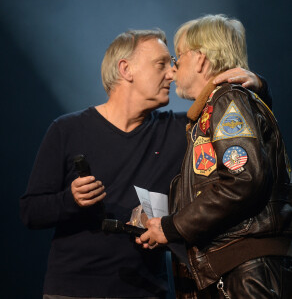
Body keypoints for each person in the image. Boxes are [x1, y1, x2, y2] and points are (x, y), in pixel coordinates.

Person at [20, 29, 270, 299]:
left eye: (172, 63)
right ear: (126, 69)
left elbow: (247, 136)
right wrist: (71, 199)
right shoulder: (67, 129)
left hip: (147, 290)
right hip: (74, 290)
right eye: (161, 64)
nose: (172, 73)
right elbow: (30, 211)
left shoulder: (183, 130)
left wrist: (257, 86)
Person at [136, 15, 292, 298]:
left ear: (200, 59)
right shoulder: (215, 108)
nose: (173, 70)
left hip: (245, 272)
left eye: (178, 58)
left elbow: (243, 180)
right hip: (238, 269)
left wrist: (173, 227)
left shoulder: (227, 100)